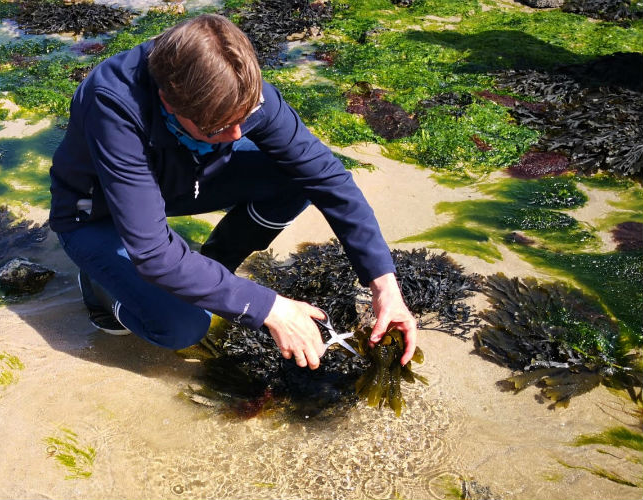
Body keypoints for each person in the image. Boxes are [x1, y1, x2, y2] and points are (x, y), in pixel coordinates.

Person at [49, 13, 417, 369]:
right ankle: (100, 285)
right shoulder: (113, 102)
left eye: (247, 116)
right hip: (96, 214)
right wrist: (268, 307)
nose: (238, 135)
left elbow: (329, 178)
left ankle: (212, 268)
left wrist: (384, 284)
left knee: (295, 176)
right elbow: (152, 252)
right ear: (169, 103)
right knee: (182, 326)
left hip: (182, 182)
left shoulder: (238, 86)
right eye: (219, 127)